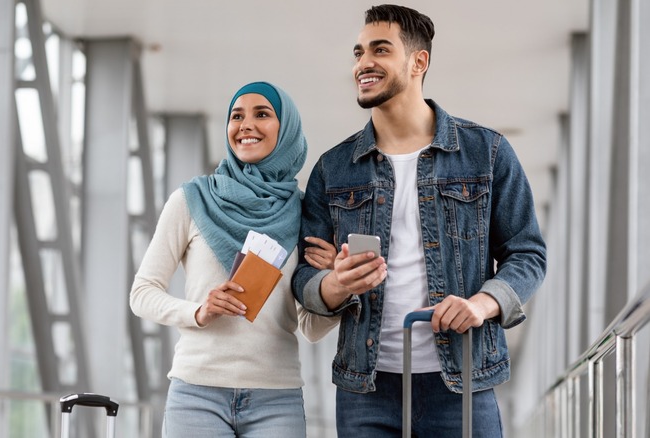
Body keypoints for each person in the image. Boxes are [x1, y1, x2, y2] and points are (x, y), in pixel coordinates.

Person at [292, 4, 547, 437]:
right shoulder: (332, 169)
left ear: (418, 62)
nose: (363, 63)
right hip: (365, 390)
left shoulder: (487, 153)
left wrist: (480, 305)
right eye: (358, 53)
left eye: (379, 50)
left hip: (463, 382)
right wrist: (336, 284)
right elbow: (305, 278)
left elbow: (527, 253)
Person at [130, 81, 338, 437]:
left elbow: (309, 327)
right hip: (197, 393)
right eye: (236, 116)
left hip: (277, 399)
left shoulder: (303, 213)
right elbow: (142, 293)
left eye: (262, 114)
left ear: (286, 130)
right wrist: (198, 311)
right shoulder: (191, 200)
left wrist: (335, 284)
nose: (246, 125)